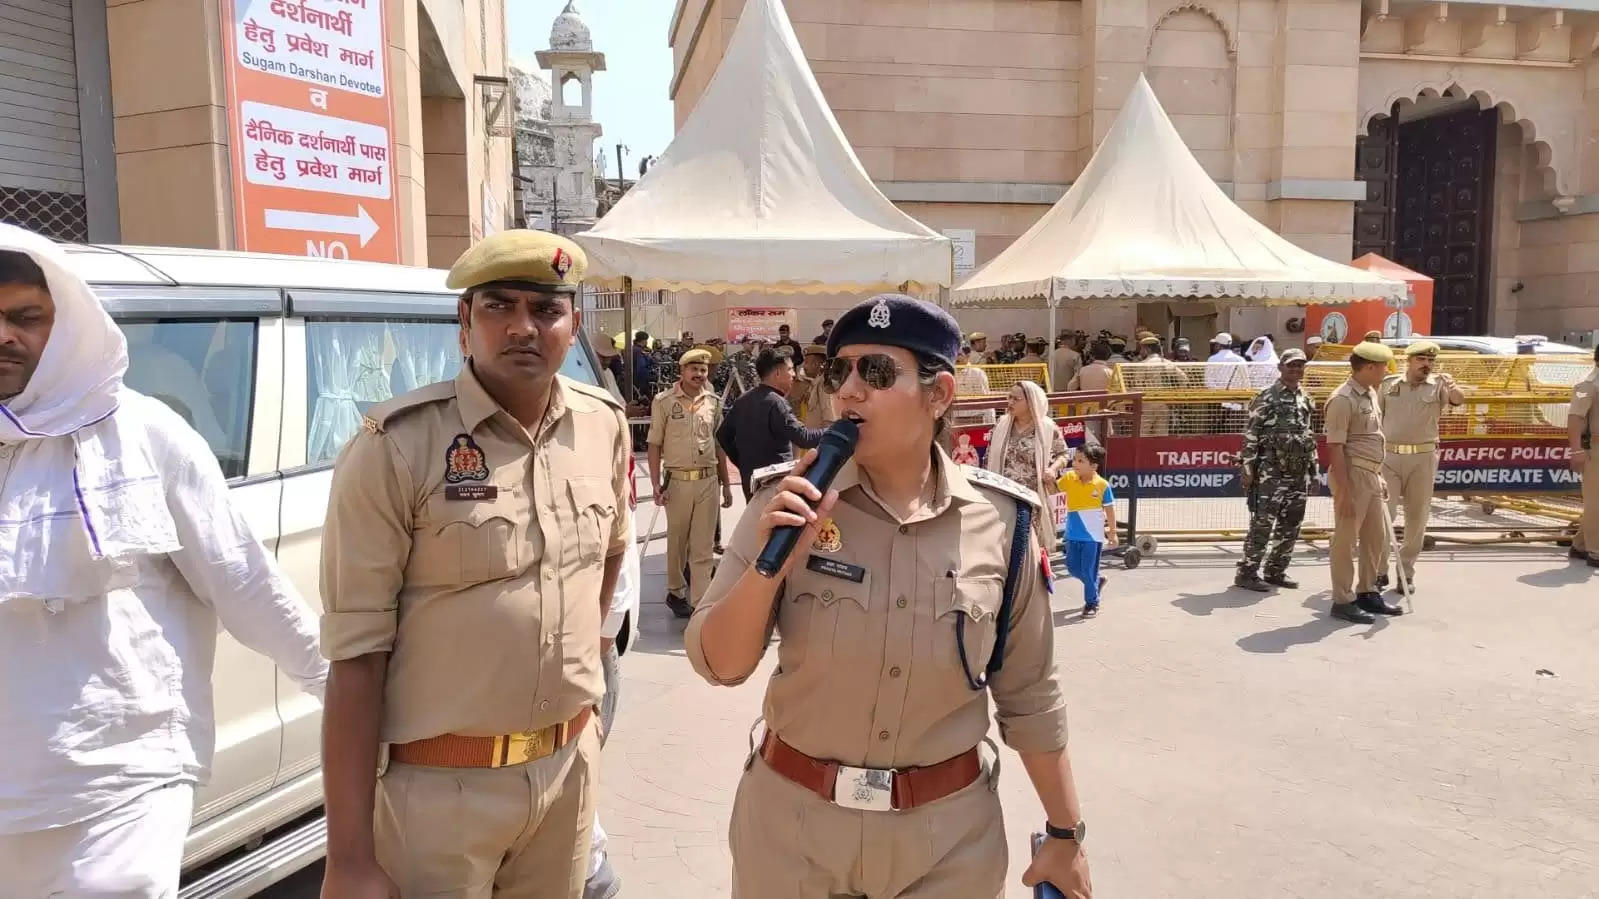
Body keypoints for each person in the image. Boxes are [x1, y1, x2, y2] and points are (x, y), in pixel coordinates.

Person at [686, 293, 1093, 899]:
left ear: (940, 394)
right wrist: (773, 566)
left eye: (875, 372)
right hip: (793, 833)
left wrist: (1066, 833)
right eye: (838, 371)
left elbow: (1031, 692)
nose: (848, 391)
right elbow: (718, 664)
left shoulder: (1003, 523)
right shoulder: (786, 500)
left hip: (948, 844)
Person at [0, 226, 328, 896]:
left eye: (25, 317)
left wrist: (353, 698)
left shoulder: (147, 435)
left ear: (67, 323)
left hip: (127, 771)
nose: (4, 334)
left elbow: (245, 584)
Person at [318, 230, 630, 898]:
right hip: (439, 793)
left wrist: (580, 708)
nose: (523, 326)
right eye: (498, 305)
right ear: (464, 325)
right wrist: (347, 856)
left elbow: (606, 560)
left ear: (573, 323)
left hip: (565, 772)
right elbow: (355, 657)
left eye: (545, 308)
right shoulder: (397, 448)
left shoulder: (603, 424)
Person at [650, 348, 734, 618]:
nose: (699, 374)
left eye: (703, 370)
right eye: (693, 369)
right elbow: (654, 444)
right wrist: (655, 485)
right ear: (682, 371)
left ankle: (700, 606)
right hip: (677, 483)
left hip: (708, 482)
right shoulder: (663, 402)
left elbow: (718, 444)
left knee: (703, 546)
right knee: (677, 543)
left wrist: (727, 484)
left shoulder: (714, 402)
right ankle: (675, 591)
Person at [1324, 341, 1402, 623]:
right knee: (1346, 540)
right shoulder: (1343, 399)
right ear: (1369, 367)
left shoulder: (1369, 393)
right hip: (1353, 476)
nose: (1385, 371)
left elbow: (1373, 439)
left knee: (1375, 537)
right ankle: (1342, 600)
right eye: (1383, 367)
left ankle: (1367, 591)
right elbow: (1335, 448)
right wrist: (1344, 492)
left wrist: (1378, 474)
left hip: (1370, 475)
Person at [1377, 341, 1464, 592]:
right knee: (1384, 515)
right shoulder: (1389, 384)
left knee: (1417, 518)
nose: (1427, 365)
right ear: (1409, 361)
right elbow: (1377, 418)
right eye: (1421, 360)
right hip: (1390, 457)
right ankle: (1379, 570)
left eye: (1430, 361)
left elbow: (1458, 400)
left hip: (1422, 458)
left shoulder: (1439, 385)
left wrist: (1452, 385)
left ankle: (1406, 572)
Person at [1234, 349, 1317, 592]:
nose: (1296, 370)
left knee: (1291, 523)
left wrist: (1314, 469)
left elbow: (1308, 435)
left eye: (1300, 366)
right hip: (1270, 472)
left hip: (1298, 472)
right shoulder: (1267, 397)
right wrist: (1247, 468)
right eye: (1291, 365)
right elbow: (1251, 434)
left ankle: (1276, 570)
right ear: (1280, 368)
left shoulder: (1305, 398)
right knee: (1262, 523)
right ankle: (1247, 572)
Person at [715, 348, 825, 500]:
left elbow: (722, 435)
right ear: (777, 374)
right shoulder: (776, 403)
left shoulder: (743, 400)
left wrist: (743, 463)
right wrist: (834, 430)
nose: (794, 374)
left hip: (752, 481)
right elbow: (803, 438)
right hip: (774, 483)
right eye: (790, 369)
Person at [986, 380, 1070, 549]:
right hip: (1003, 494)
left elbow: (1064, 454)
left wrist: (1052, 469)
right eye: (1009, 398)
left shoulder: (1046, 428)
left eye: (1016, 399)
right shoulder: (1002, 424)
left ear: (1031, 401)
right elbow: (988, 456)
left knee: (1030, 544)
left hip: (1032, 496)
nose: (1010, 403)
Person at [1057, 443, 1116, 619]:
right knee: (1073, 568)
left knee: (1088, 570)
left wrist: (1112, 533)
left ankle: (1092, 603)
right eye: (1075, 459)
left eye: (1080, 461)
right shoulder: (1069, 478)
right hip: (1073, 533)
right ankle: (1097, 582)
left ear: (1094, 466)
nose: (1075, 463)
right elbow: (1054, 488)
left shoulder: (1102, 485)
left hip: (1093, 537)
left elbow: (1110, 510)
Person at [1569, 345, 1598, 568]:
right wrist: (1577, 450)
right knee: (1595, 502)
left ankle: (1579, 544)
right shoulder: (1587, 386)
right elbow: (1575, 418)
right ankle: (1595, 551)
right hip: (1594, 450)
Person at [953, 344, 997, 430]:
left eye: (959, 355)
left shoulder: (977, 373)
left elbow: (984, 398)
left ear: (968, 356)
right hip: (956, 419)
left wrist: (989, 422)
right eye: (953, 354)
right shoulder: (950, 372)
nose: (955, 358)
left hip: (975, 418)